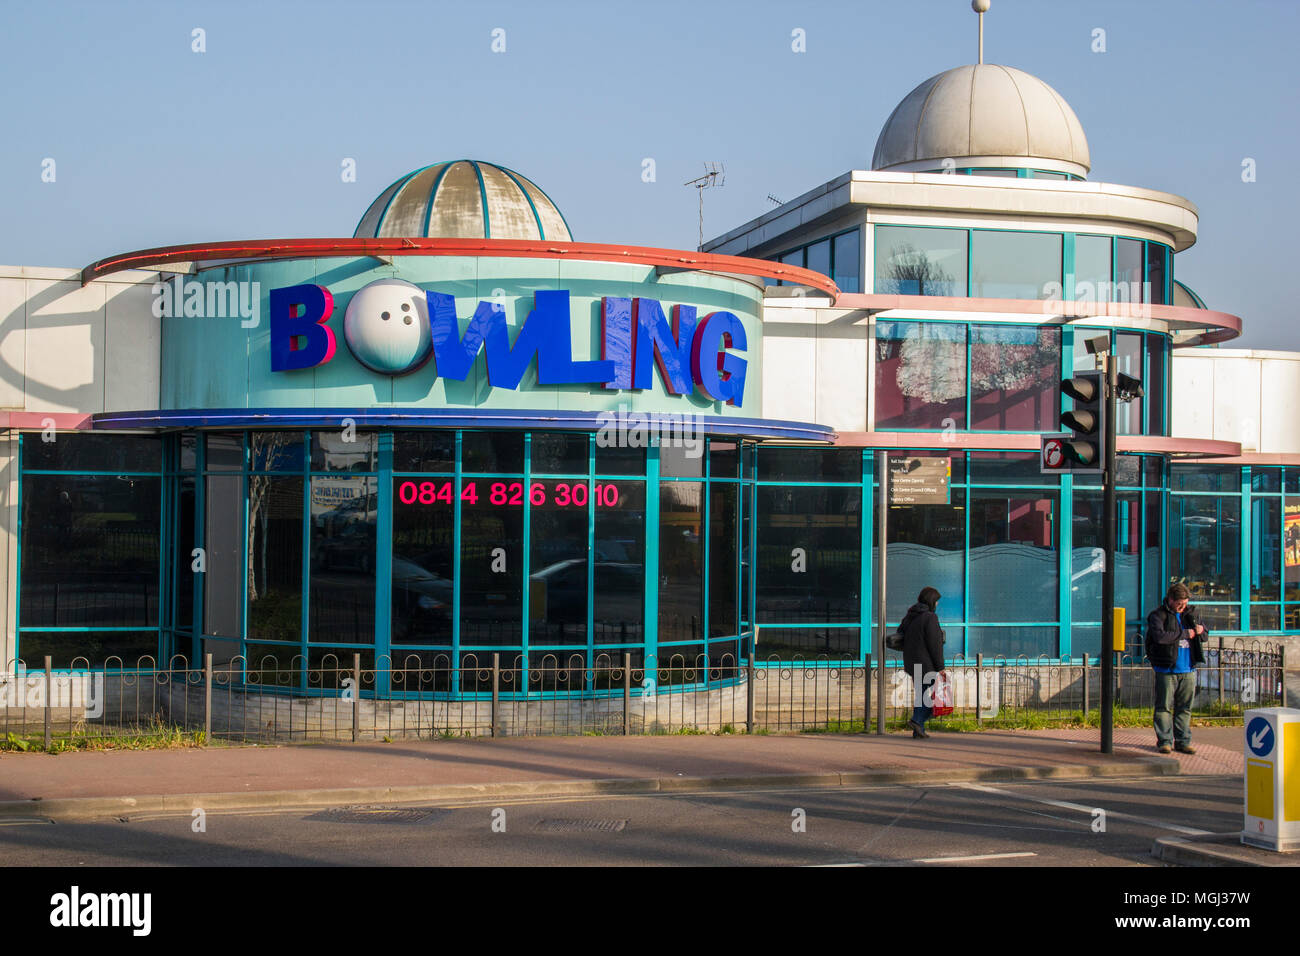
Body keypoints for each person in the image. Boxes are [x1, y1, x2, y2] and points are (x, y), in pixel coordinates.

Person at [1145, 583, 1208, 755]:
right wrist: (1185, 634)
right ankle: (1164, 741)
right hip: (1166, 669)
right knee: (1163, 707)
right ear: (1171, 600)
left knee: (1184, 707)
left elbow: (1203, 635)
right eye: (1180, 603)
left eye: (1185, 603)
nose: (1183, 607)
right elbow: (1159, 637)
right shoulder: (1158, 615)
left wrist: (1201, 631)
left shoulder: (1190, 614)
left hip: (1188, 669)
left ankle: (1183, 741)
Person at [900, 586, 945, 739]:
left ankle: (918, 730)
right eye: (937, 601)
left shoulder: (911, 615)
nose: (937, 604)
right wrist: (940, 667)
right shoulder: (930, 617)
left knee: (922, 695)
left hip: (912, 663)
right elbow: (935, 644)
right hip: (926, 664)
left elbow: (901, 633)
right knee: (932, 697)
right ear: (931, 600)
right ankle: (917, 720)